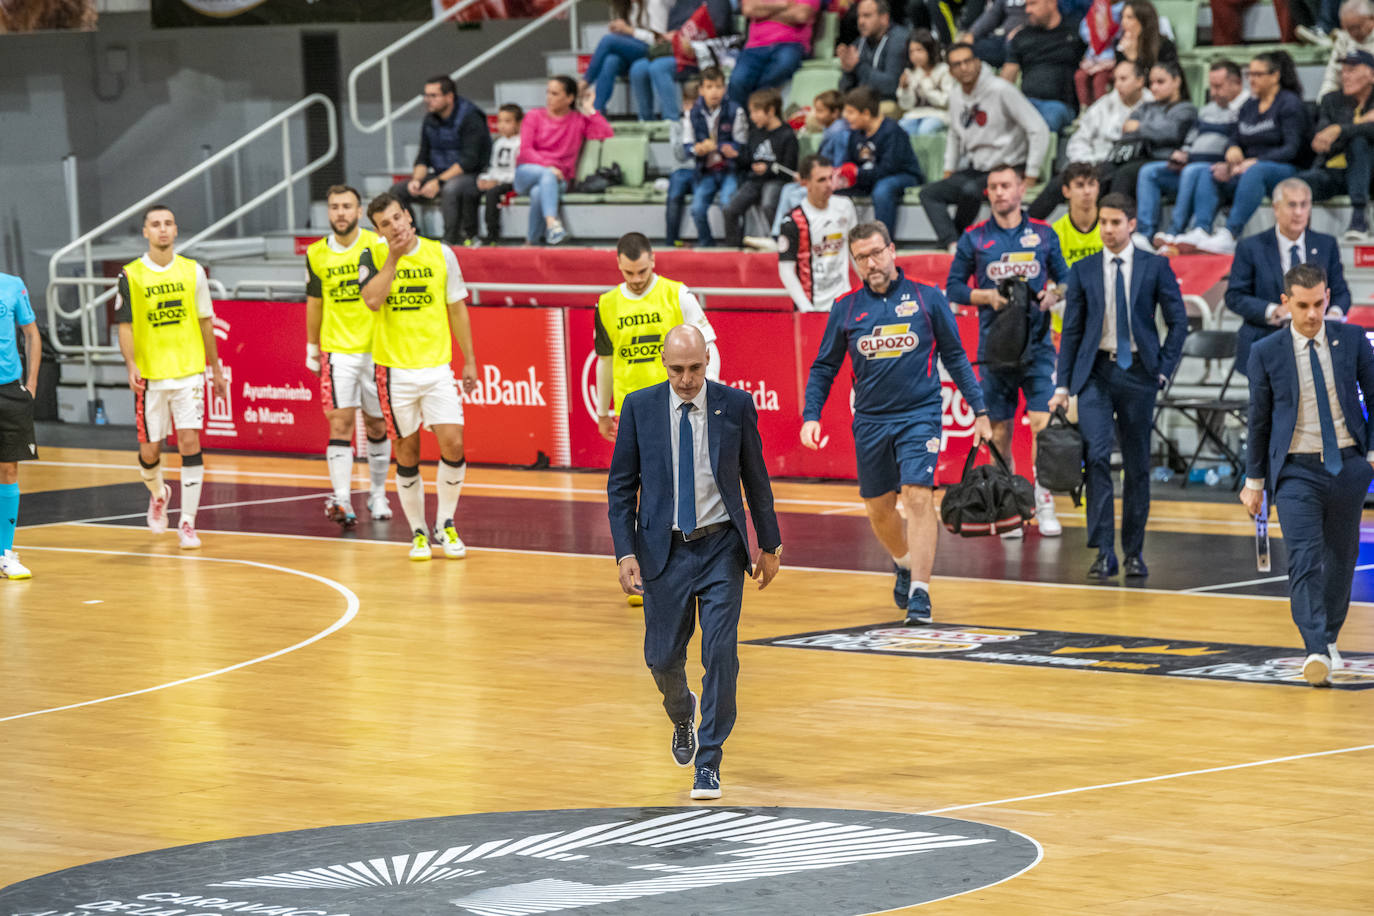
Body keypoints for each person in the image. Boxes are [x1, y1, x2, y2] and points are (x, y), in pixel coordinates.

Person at [608, 324, 782, 800]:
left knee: (720, 655)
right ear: (664, 364)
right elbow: (621, 486)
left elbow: (756, 478)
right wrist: (624, 551)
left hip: (722, 547)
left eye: (695, 368)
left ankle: (709, 762)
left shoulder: (736, 406)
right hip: (662, 551)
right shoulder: (640, 408)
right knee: (662, 659)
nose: (686, 379)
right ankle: (682, 712)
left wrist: (770, 543)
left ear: (709, 360)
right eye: (677, 369)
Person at [802, 221, 993, 623]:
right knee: (878, 508)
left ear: (892, 250)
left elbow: (956, 356)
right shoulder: (847, 308)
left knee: (918, 495)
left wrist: (979, 411)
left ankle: (921, 591)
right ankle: (904, 562)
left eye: (876, 253)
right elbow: (823, 368)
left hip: (920, 415)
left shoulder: (927, 299)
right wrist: (811, 415)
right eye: (861, 258)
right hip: (870, 420)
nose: (870, 263)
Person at [1240, 263, 1374, 687]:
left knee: (1343, 557)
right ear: (1286, 303)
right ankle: (1315, 647)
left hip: (1349, 465)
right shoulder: (1265, 351)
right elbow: (1258, 420)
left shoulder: (1351, 340)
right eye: (1303, 305)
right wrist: (1254, 481)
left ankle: (1330, 636)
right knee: (1303, 559)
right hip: (1296, 471)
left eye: (1319, 303)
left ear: (1328, 298)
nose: (1313, 314)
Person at [1049, 192, 1188, 579]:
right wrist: (1062, 385)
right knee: (1095, 457)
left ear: (1131, 224)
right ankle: (1103, 551)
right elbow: (1073, 330)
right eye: (1102, 222)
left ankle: (1134, 551)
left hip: (1140, 373)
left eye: (1114, 222)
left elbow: (1179, 322)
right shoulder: (1084, 269)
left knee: (1137, 465)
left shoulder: (1155, 267)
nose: (1107, 229)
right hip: (1095, 373)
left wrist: (1163, 368)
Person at [946, 163, 1068, 538]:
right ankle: (1011, 505)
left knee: (1042, 426)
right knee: (998, 431)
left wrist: (1054, 294)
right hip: (995, 350)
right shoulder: (974, 238)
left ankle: (1043, 501)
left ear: (1020, 190)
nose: (999, 192)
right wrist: (985, 296)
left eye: (1006, 186)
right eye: (993, 187)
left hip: (1038, 347)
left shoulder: (1044, 235)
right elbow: (953, 287)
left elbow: (1064, 279)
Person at [359, 192, 478, 561]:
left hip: (437, 367)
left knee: (453, 444)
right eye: (385, 223)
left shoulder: (441, 254)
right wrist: (393, 258)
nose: (394, 226)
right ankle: (418, 532)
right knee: (407, 452)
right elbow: (373, 300)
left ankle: (446, 522)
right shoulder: (372, 256)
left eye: (398, 217)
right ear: (377, 230)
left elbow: (457, 309)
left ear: (409, 216)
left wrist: (470, 360)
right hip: (394, 372)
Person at [114, 205, 228, 550]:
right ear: (145, 232)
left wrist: (216, 369)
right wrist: (131, 364)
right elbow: (126, 326)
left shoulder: (193, 272)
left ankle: (188, 523)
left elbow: (206, 321)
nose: (162, 230)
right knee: (150, 452)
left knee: (190, 443)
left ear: (176, 230)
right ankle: (159, 492)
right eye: (155, 225)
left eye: (167, 224)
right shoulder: (131, 275)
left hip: (189, 372)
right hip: (150, 377)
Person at [305, 185, 391, 528]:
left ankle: (378, 493)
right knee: (340, 422)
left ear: (359, 211)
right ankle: (341, 498)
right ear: (328, 212)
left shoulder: (377, 245)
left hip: (378, 349)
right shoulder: (315, 254)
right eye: (334, 206)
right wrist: (312, 348)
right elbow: (315, 302)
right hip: (338, 351)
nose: (340, 212)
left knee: (377, 424)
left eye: (347, 206)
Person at [1176, 51, 1310, 256]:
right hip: (1250, 168)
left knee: (1256, 171)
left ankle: (1230, 234)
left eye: (1258, 75)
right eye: (1250, 74)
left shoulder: (1289, 104)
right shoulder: (1249, 105)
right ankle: (1201, 229)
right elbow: (1235, 136)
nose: (1252, 80)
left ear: (1275, 76)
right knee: (1208, 171)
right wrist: (1232, 149)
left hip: (1286, 169)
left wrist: (1254, 161)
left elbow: (1292, 149)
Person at [922, 42, 1051, 251]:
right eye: (957, 64)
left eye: (968, 61)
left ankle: (958, 244)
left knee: (971, 191)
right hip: (978, 168)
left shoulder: (1001, 90)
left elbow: (1038, 128)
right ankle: (952, 243)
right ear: (951, 71)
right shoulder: (955, 95)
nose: (964, 67)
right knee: (929, 193)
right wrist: (949, 170)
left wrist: (1031, 173)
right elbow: (954, 134)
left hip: (1009, 166)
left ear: (978, 63)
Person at [594, 232, 720, 443]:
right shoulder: (606, 304)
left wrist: (711, 386)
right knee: (636, 476)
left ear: (653, 259)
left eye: (642, 271)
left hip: (677, 403)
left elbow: (708, 344)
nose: (636, 279)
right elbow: (605, 361)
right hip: (630, 409)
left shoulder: (678, 294)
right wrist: (602, 413)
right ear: (618, 263)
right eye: (629, 273)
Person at [1225, 178, 1350, 378]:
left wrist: (1333, 314)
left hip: (1317, 345)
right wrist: (1273, 310)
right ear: (1276, 208)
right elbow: (1235, 296)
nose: (1299, 212)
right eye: (1292, 205)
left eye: (1304, 205)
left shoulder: (1327, 244)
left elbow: (1341, 292)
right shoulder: (1251, 247)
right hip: (1266, 341)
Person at [1138, 59, 1247, 248]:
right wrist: (1183, 152)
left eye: (1218, 86)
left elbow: (1238, 143)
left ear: (1237, 82)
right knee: (1149, 171)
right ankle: (1144, 234)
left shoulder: (1245, 108)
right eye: (1211, 86)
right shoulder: (1207, 109)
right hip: (1192, 162)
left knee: (1193, 170)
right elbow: (1193, 136)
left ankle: (1177, 230)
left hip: (1216, 168)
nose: (1213, 92)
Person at [1028, 57, 1151, 220]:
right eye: (1115, 80)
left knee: (1103, 185)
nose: (1118, 85)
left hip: (1123, 163)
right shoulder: (1103, 105)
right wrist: (1086, 163)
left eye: (1123, 79)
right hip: (1091, 162)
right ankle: (1024, 227)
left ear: (1140, 81)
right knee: (1060, 183)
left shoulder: (1152, 106)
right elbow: (1080, 138)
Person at [388, 76, 491, 246]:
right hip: (440, 174)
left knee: (451, 189)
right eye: (426, 95)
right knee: (397, 190)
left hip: (471, 175)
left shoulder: (471, 117)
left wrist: (438, 181)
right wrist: (417, 180)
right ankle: (411, 238)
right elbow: (423, 156)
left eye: (433, 96)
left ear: (449, 97)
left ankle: (450, 241)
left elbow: (469, 161)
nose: (428, 100)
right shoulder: (430, 119)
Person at [514, 76, 615, 245]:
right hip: (528, 173)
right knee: (547, 175)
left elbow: (606, 134)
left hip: (561, 178)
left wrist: (589, 109)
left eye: (555, 93)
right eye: (548, 92)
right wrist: (548, 166)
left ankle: (531, 242)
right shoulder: (534, 116)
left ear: (569, 98)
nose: (549, 97)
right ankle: (552, 224)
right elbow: (526, 151)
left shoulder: (578, 120)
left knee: (538, 192)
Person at [1299, 49, 1374, 239]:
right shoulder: (1331, 100)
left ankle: (1359, 219)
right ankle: (1300, 237)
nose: (1345, 76)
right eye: (1343, 71)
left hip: (1369, 174)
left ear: (1371, 75)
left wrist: (1340, 130)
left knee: (1359, 142)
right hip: (1334, 171)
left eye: (1352, 70)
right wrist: (1356, 125)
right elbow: (1322, 143)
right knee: (1298, 184)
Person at [838, 86, 926, 240]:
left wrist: (858, 174)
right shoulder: (855, 133)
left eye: (851, 112)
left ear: (866, 113)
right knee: (835, 192)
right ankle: (843, 241)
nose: (846, 116)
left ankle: (883, 243)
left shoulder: (892, 131)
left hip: (903, 175)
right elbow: (850, 162)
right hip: (871, 176)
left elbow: (889, 167)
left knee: (882, 190)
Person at [628, 0, 738, 123]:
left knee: (659, 67)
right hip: (675, 50)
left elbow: (719, 27)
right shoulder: (681, 3)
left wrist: (693, 44)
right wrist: (672, 35)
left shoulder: (717, 2)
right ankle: (645, 120)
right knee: (638, 68)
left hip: (700, 54)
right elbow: (673, 25)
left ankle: (671, 121)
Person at [777, 155, 860, 311]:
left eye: (830, 178)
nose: (829, 185)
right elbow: (785, 270)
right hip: (813, 306)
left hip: (844, 302)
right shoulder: (793, 220)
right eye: (821, 180)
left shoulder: (845, 206)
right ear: (804, 183)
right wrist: (805, 307)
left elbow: (855, 251)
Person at [0, 272, 40, 580]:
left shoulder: (12, 285)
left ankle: (5, 554)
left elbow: (31, 333)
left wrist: (31, 383)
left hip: (10, 390)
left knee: (9, 469)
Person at [724, 88, 799, 249]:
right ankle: (732, 248)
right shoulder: (755, 133)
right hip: (755, 180)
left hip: (776, 180)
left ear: (771, 110)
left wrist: (769, 168)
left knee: (769, 204)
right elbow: (748, 160)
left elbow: (789, 169)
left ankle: (780, 244)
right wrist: (736, 155)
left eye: (756, 111)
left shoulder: (787, 135)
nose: (752, 117)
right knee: (730, 209)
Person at [683, 66, 748, 247]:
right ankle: (706, 244)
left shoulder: (736, 111)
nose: (714, 92)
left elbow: (742, 144)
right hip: (706, 171)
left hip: (730, 169)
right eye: (709, 87)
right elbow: (686, 147)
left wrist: (729, 149)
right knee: (697, 209)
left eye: (718, 87)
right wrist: (698, 149)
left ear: (724, 89)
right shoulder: (692, 114)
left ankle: (734, 245)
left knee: (729, 205)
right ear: (701, 90)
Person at [1001, 0, 1087, 134]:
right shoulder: (1022, 36)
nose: (1028, 10)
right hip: (1026, 103)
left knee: (1044, 123)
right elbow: (1007, 76)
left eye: (1033, 4)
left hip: (1060, 105)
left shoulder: (1076, 32)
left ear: (1052, 3)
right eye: (1027, 5)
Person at [578, 0, 670, 118]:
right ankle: (597, 111)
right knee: (611, 61)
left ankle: (584, 82)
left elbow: (660, 40)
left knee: (608, 40)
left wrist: (629, 31)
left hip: (653, 50)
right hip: (631, 52)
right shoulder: (624, 5)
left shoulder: (654, 3)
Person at [728, 0, 820, 106]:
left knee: (784, 64)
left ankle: (756, 108)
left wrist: (765, 12)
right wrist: (783, 5)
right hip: (755, 46)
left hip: (791, 44)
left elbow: (800, 16)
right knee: (738, 80)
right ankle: (739, 118)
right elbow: (749, 9)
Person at [838, 0, 912, 112]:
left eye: (867, 16)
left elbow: (891, 86)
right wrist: (848, 70)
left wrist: (858, 66)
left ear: (884, 18)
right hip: (863, 103)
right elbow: (843, 89)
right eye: (859, 16)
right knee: (817, 118)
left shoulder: (899, 40)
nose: (861, 21)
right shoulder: (859, 43)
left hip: (890, 102)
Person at [477, 104, 522, 245]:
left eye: (507, 121)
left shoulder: (521, 143)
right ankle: (471, 232)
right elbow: (494, 167)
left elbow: (518, 171)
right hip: (497, 179)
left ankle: (493, 234)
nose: (502, 125)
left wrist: (497, 181)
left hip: (513, 181)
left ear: (519, 123)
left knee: (492, 193)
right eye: (500, 121)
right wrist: (485, 179)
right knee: (472, 189)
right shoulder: (498, 143)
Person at [897, 29, 955, 136]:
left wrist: (927, 86)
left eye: (919, 50)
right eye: (911, 52)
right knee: (901, 129)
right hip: (915, 114)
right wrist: (905, 89)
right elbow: (906, 106)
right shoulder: (910, 72)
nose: (915, 55)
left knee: (925, 130)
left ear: (930, 50)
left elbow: (946, 102)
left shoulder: (944, 70)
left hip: (939, 114)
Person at [665, 79, 702, 247]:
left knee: (700, 199)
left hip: (701, 169)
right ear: (684, 104)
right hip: (681, 170)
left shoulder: (707, 123)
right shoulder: (677, 125)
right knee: (674, 196)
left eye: (697, 103)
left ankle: (703, 240)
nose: (693, 107)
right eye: (689, 103)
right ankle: (671, 241)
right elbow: (680, 154)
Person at [1319, 0, 1374, 98]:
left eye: (1355, 27)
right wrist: (1324, 103)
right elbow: (1331, 79)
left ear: (1371, 19)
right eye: (1347, 28)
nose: (1351, 33)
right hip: (1349, 101)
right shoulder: (1344, 37)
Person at [957, 0, 1030, 69]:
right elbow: (993, 14)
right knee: (965, 49)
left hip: (1028, 36)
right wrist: (972, 33)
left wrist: (1023, 29)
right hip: (1004, 37)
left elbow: (1038, 14)